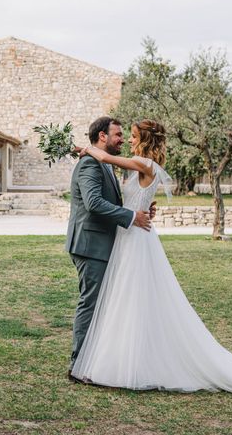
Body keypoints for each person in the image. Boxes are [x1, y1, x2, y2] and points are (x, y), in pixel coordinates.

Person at [70, 119, 232, 395]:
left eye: (132, 136)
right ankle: (111, 358)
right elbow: (124, 194)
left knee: (130, 299)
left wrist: (82, 148)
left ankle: (119, 361)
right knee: (124, 299)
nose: (129, 140)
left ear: (144, 139)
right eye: (124, 135)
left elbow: (107, 157)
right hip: (128, 237)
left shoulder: (143, 164)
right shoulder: (142, 165)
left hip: (134, 239)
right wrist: (140, 207)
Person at [65, 116, 156, 382]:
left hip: (105, 245)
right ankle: (77, 366)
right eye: (117, 134)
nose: (122, 140)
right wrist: (131, 218)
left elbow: (111, 199)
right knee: (91, 304)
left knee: (104, 305)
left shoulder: (104, 164)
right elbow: (93, 203)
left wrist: (139, 209)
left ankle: (94, 361)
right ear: (102, 137)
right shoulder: (90, 164)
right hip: (91, 245)